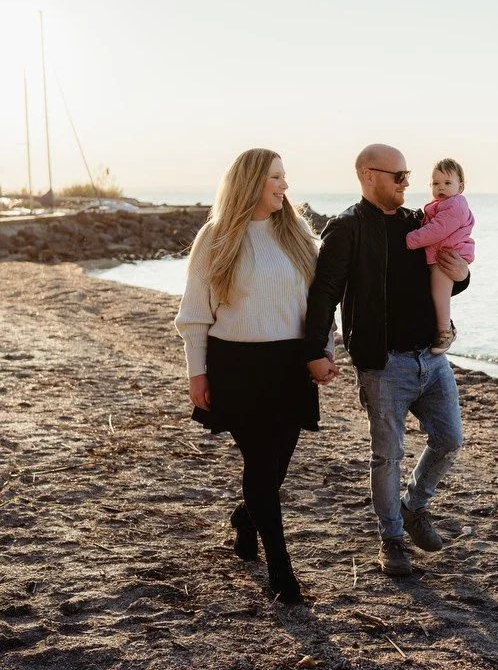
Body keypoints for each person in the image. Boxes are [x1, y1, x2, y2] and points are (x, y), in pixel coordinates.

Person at [175, 148, 336, 604]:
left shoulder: (298, 235)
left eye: (285, 177)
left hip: (289, 367)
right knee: (262, 470)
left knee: (274, 469)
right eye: (276, 178)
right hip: (237, 367)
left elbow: (318, 303)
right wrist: (196, 374)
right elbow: (193, 315)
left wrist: (321, 349)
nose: (285, 186)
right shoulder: (217, 236)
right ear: (250, 183)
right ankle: (282, 575)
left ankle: (246, 520)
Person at [304, 144, 470, 577]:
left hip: (432, 360)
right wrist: (317, 350)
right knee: (387, 456)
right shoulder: (346, 228)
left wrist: (463, 274)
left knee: (450, 439)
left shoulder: (419, 220)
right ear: (367, 175)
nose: (407, 183)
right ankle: (391, 538)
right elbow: (324, 294)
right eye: (398, 176)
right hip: (384, 365)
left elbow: (449, 276)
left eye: (407, 175)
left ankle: (414, 506)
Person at [405, 158, 475, 354]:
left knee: (440, 292)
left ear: (460, 187)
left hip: (446, 256)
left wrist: (411, 239)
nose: (441, 187)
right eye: (436, 183)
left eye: (447, 183)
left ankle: (444, 330)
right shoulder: (438, 205)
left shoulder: (456, 205)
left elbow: (437, 230)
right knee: (434, 291)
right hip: (439, 253)